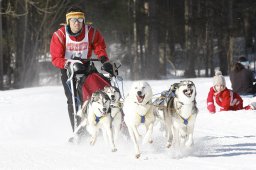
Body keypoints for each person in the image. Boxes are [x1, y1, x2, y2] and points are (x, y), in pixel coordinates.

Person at [50, 6, 115, 132]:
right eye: (74, 19)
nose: (77, 23)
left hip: (86, 67)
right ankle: (78, 130)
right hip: (68, 70)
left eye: (80, 20)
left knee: (98, 92)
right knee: (73, 100)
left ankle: (104, 124)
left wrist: (104, 60)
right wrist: (68, 64)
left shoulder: (91, 32)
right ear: (68, 21)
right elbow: (55, 58)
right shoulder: (59, 35)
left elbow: (99, 46)